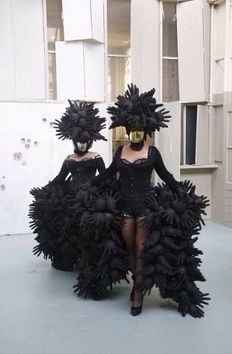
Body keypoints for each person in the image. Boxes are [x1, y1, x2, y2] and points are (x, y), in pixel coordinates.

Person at [74, 85, 210, 318]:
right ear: (127, 130)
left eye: (139, 129)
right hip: (125, 208)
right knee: (129, 249)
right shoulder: (120, 151)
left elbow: (166, 176)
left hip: (145, 208)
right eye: (132, 129)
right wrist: (91, 186)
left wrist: (182, 191)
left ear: (145, 130)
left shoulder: (153, 152)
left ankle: (137, 294)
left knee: (140, 248)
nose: (135, 133)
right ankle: (138, 283)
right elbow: (107, 175)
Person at [29, 100, 106, 271]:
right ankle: (70, 259)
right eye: (79, 141)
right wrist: (46, 189)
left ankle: (91, 260)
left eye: (85, 141)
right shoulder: (69, 158)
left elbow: (104, 176)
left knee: (88, 229)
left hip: (90, 197)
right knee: (68, 228)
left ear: (90, 140)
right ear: (73, 140)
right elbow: (60, 178)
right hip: (71, 197)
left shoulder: (96, 156)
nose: (82, 144)